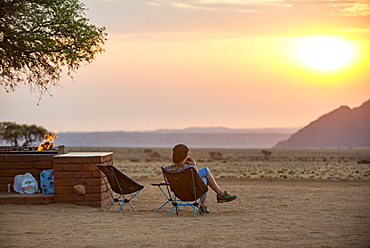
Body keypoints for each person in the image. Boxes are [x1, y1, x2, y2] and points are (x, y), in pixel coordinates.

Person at [165, 144, 237, 214]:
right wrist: (194, 165)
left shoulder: (167, 169)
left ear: (173, 155)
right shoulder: (189, 169)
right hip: (192, 194)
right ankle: (215, 198)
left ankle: (217, 196)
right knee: (205, 176)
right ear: (186, 156)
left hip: (179, 194)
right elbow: (196, 179)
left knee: (204, 176)